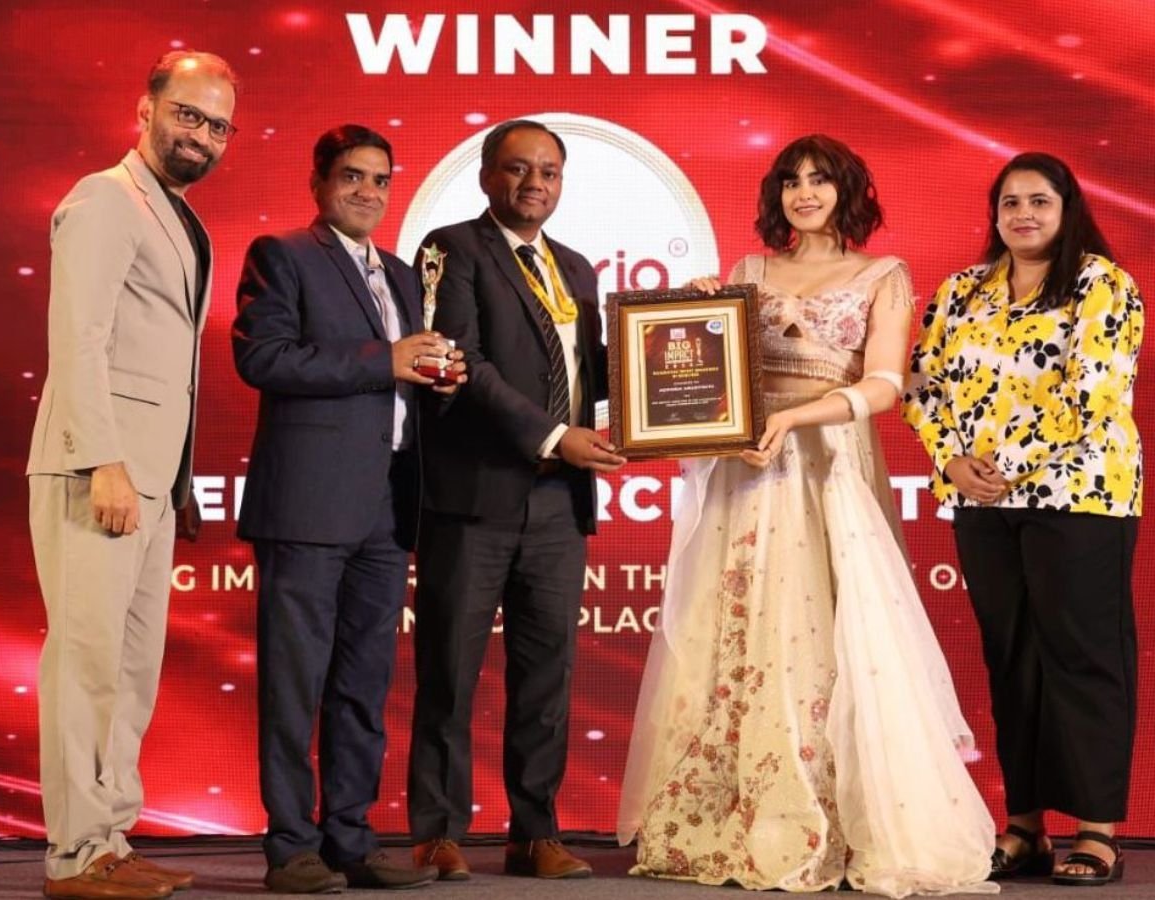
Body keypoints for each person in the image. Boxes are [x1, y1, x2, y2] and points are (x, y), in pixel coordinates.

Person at [617, 135, 996, 896]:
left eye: (820, 180)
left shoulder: (884, 274)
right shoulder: (749, 271)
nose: (805, 193)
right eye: (791, 181)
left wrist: (794, 419)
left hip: (828, 467)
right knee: (742, 628)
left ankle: (838, 820)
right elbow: (718, 370)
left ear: (847, 190)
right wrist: (693, 314)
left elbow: (885, 384)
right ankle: (744, 813)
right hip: (749, 467)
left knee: (830, 632)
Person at [25, 50, 237, 900]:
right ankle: (75, 855)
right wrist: (103, 461)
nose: (202, 136)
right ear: (145, 111)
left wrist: (171, 479)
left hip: (151, 480)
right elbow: (77, 338)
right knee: (86, 664)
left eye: (218, 126)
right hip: (99, 468)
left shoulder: (178, 215)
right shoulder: (103, 199)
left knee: (130, 669)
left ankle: (110, 838)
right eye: (189, 115)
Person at [232, 125, 462, 894]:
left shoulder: (400, 274)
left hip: (387, 509)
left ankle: (350, 840)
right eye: (352, 176)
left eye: (380, 179)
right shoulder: (283, 255)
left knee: (364, 684)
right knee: (294, 685)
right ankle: (290, 847)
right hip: (307, 505)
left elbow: (400, 383)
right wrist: (383, 360)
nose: (368, 191)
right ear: (319, 183)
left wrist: (439, 378)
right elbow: (262, 357)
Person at [903, 152, 1142, 888]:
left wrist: (1003, 463)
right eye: (1010, 202)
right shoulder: (963, 291)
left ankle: (1097, 830)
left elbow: (1092, 394)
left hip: (1080, 494)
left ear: (1067, 209)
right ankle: (1026, 825)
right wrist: (951, 461)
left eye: (1039, 201)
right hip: (981, 502)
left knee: (1083, 654)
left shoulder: (1102, 284)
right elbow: (921, 384)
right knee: (1012, 660)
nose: (1024, 214)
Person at [407, 119, 625, 881]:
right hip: (474, 496)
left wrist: (685, 342)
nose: (535, 183)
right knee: (450, 670)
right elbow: (462, 362)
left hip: (559, 504)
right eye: (518, 168)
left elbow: (595, 369)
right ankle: (438, 833)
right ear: (486, 175)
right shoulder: (451, 249)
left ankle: (535, 833)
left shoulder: (577, 269)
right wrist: (554, 437)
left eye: (549, 172)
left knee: (546, 677)